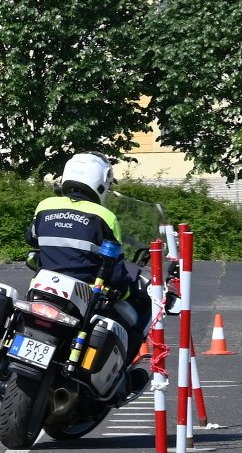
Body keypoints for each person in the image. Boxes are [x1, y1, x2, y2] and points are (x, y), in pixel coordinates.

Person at [27, 153, 152, 389]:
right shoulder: (105, 217)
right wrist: (128, 278)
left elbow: (32, 239)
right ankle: (121, 379)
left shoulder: (44, 206)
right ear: (101, 182)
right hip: (85, 297)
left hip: (43, 288)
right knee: (134, 315)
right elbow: (114, 266)